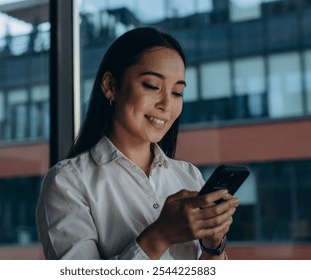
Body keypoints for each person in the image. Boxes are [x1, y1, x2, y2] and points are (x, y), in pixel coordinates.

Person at [36, 27, 239, 260]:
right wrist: (160, 235)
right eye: (152, 86)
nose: (166, 104)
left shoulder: (189, 175)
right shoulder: (67, 182)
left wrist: (213, 246)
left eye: (177, 92)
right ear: (111, 86)